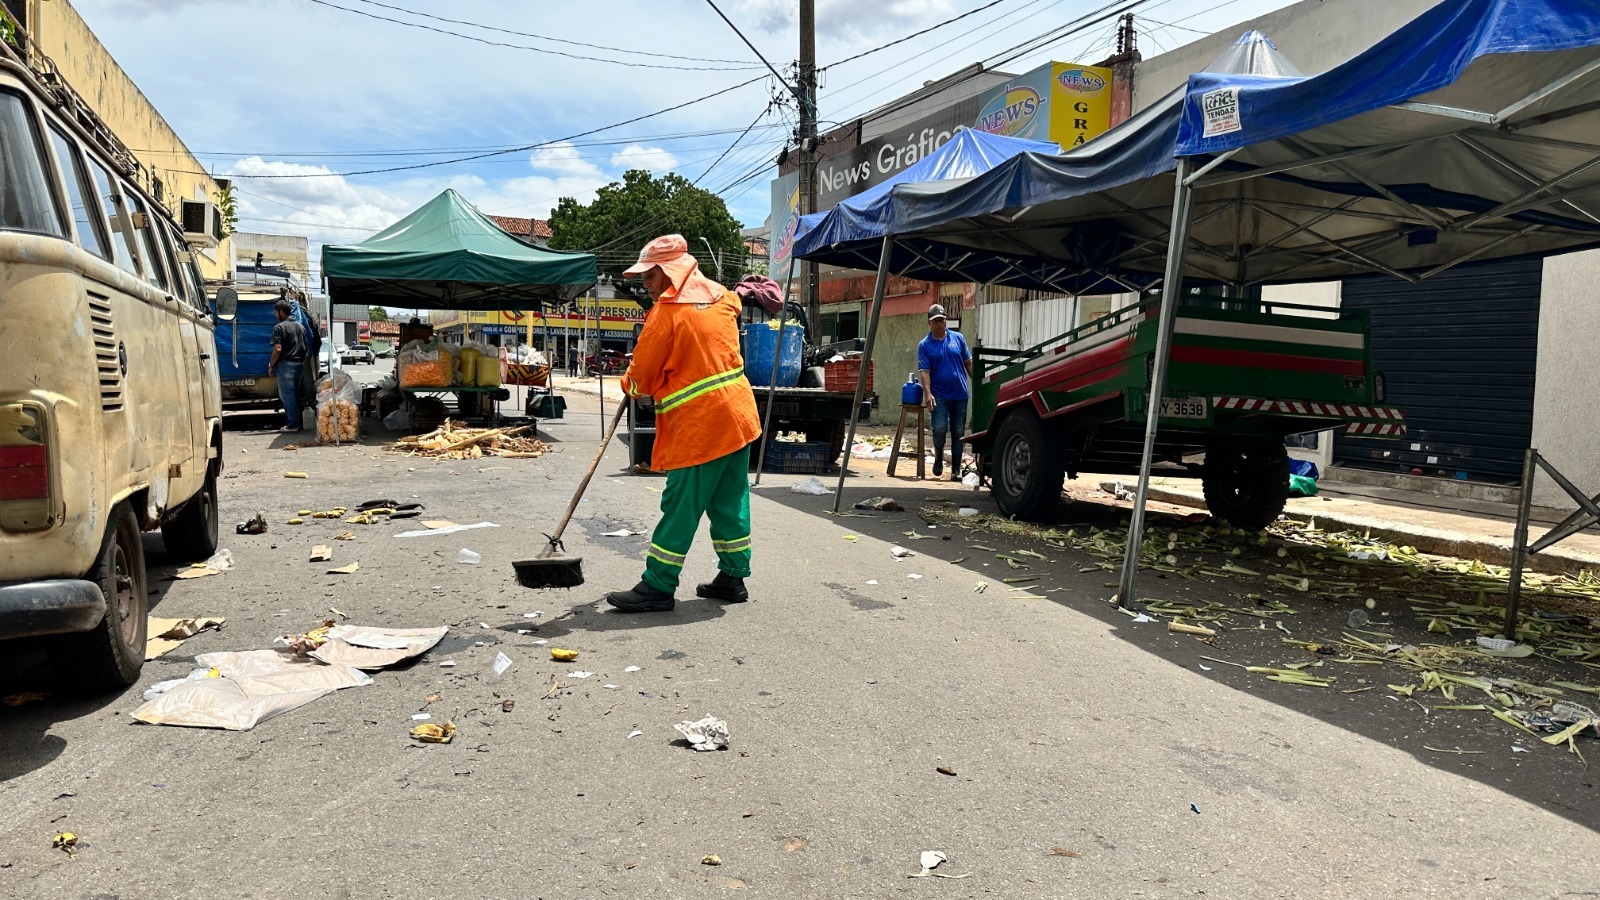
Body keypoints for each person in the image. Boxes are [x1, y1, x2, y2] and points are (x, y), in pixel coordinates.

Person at [605, 234, 762, 613]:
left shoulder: (667, 312)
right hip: (738, 417)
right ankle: (733, 576)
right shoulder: (723, 297)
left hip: (700, 427)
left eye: (650, 274)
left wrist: (631, 384)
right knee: (730, 500)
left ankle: (658, 585)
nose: (644, 281)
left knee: (680, 506)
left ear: (670, 273)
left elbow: (642, 374)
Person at [918, 303, 973, 480]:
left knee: (958, 432)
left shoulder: (958, 339)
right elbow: (924, 371)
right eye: (936, 321)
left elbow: (968, 363)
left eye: (942, 320)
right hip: (939, 395)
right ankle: (939, 456)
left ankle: (956, 470)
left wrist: (979, 384)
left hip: (960, 394)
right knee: (940, 428)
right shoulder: (925, 345)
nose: (940, 324)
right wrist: (928, 393)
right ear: (930, 323)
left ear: (946, 321)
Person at [267, 297, 309, 433]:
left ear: (281, 312)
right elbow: (306, 348)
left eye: (275, 312)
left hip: (286, 366)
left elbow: (277, 349)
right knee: (296, 395)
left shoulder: (279, 327)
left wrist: (271, 365)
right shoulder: (300, 327)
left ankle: (292, 425)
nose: (274, 315)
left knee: (288, 396)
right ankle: (297, 422)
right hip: (299, 365)